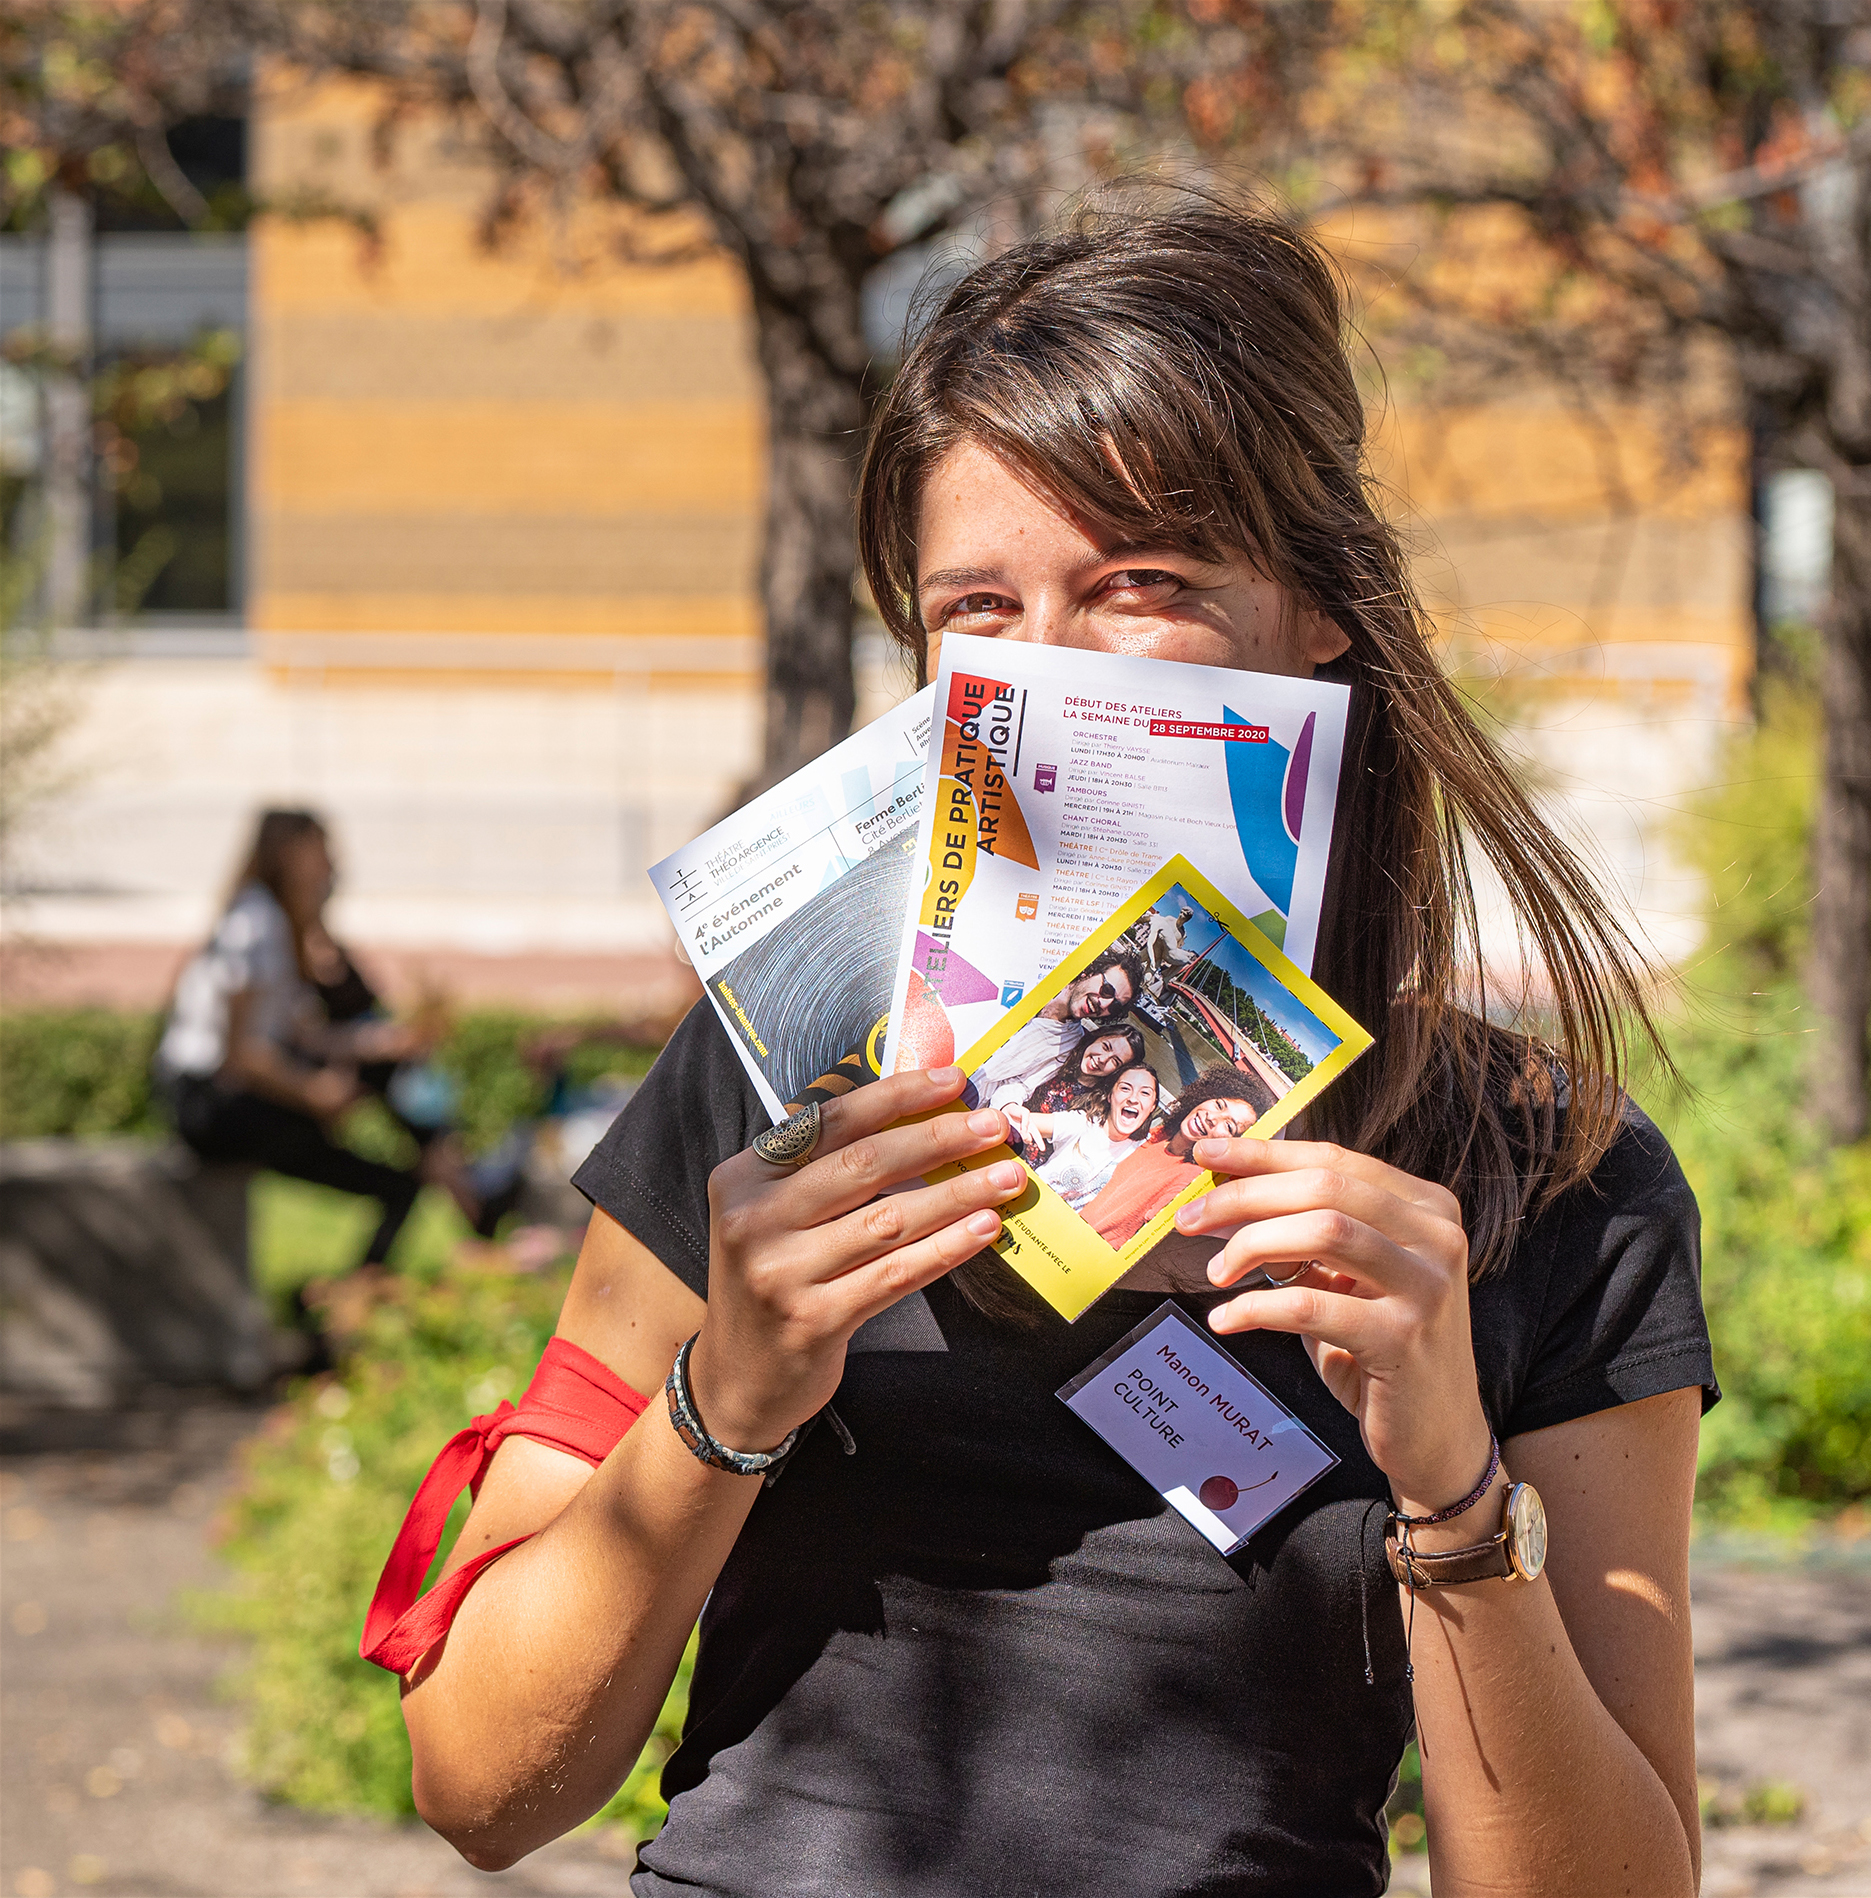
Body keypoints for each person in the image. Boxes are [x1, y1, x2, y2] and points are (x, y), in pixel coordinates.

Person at [379, 201, 1715, 1898]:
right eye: (980, 606)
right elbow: (481, 1783)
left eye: (1137, 584)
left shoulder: (1550, 1183)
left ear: (1320, 608)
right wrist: (733, 1392)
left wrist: (1448, 1492)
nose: (1050, 669)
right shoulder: (783, 1076)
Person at [153, 810, 500, 1273]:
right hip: (206, 1103)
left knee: (395, 1159)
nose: (332, 867)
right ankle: (465, 1188)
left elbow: (304, 1037)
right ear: (289, 853)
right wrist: (311, 1094)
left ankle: (448, 1179)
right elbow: (242, 1056)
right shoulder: (254, 924)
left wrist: (390, 1042)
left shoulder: (272, 923)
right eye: (322, 852)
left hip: (231, 1097)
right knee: (395, 1172)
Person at [1081, 1066, 1277, 1249]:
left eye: (1228, 1126)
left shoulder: (1189, 1181)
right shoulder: (1159, 1133)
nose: (1212, 1118)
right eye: (1219, 1105)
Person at [968, 950, 1141, 1106]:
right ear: (1089, 972)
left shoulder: (1072, 1043)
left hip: (972, 1095)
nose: (1103, 1003)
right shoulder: (1034, 978)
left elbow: (1022, 1085)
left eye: (1115, 1006)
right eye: (1107, 990)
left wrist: (1010, 1107)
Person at [1011, 1062, 1162, 1211]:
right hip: (1029, 1205)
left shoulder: (1143, 1150)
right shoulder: (1083, 1123)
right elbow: (1015, 1121)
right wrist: (1012, 1112)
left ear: (1153, 1106)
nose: (1133, 1098)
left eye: (1145, 1093)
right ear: (1110, 1096)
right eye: (1125, 1088)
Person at [992, 1019, 1146, 1118]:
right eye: (1105, 1046)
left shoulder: (1097, 1103)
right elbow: (1019, 1085)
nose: (1102, 1060)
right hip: (1005, 1121)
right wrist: (1009, 1104)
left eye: (1115, 1061)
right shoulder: (1061, 1056)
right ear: (1097, 1038)